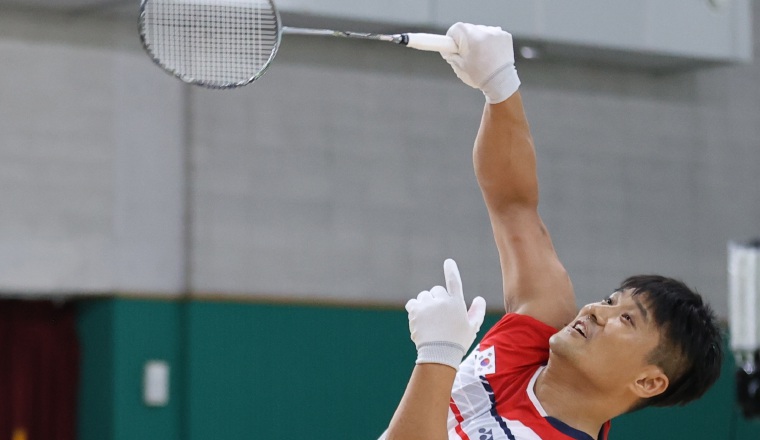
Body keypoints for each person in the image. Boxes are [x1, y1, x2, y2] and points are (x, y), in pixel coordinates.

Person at [380, 23, 723, 440]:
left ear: (648, 382)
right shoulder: (541, 324)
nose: (596, 310)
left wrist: (438, 354)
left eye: (627, 320)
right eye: (612, 300)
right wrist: (500, 84)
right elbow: (513, 204)